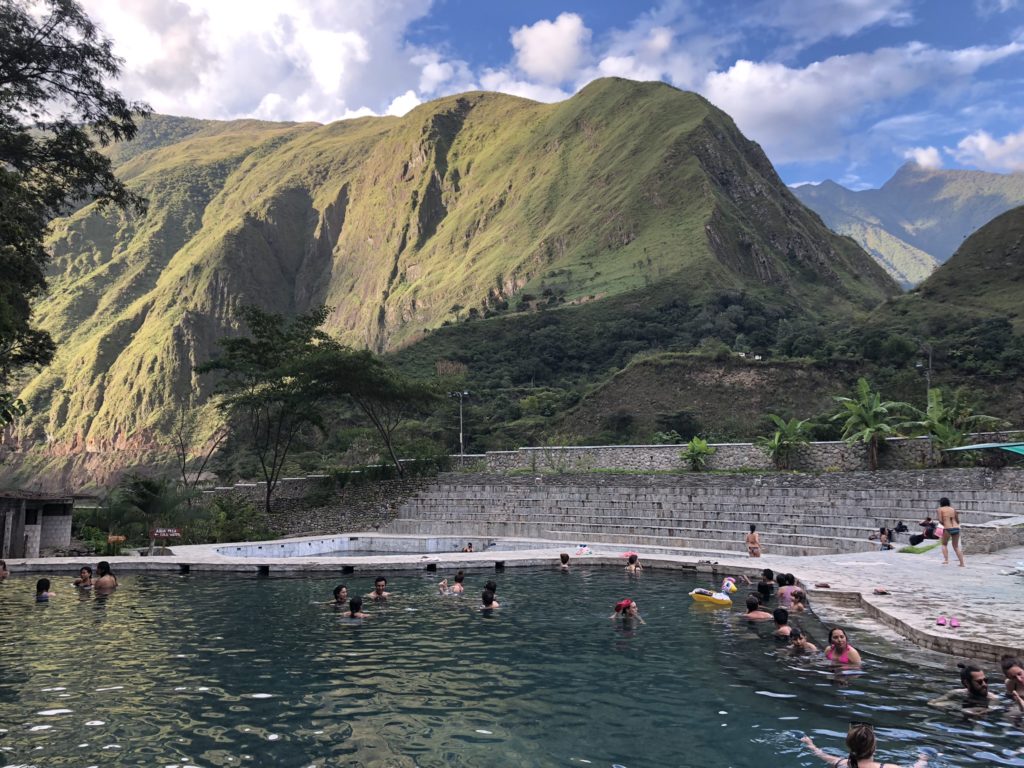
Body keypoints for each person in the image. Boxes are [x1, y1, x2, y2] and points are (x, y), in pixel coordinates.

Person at [801, 722, 929, 768]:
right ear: (874, 748)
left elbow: (820, 754)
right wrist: (923, 758)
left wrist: (810, 744)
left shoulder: (841, 763)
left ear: (849, 746)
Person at [928, 663, 999, 714]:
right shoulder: (956, 692)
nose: (984, 684)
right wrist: (953, 704)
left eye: (985, 680)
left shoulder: (992, 698)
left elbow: (986, 711)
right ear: (966, 683)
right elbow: (932, 703)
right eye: (979, 682)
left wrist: (961, 708)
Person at [937, 498, 964, 567]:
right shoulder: (953, 509)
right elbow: (957, 520)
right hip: (956, 528)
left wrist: (942, 527)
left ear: (941, 503)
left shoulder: (940, 509)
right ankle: (962, 563)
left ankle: (946, 560)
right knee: (956, 547)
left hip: (947, 528)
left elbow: (940, 520)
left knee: (944, 544)